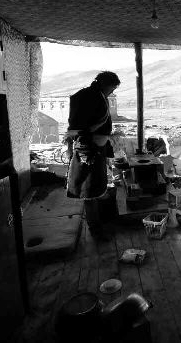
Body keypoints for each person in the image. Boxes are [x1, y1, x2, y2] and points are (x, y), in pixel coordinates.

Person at [65, 71, 120, 237]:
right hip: (88, 150)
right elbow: (79, 127)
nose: (112, 91)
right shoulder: (89, 96)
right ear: (104, 84)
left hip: (95, 149)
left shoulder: (96, 95)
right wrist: (88, 140)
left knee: (95, 187)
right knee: (88, 190)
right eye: (112, 88)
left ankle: (98, 223)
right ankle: (95, 230)